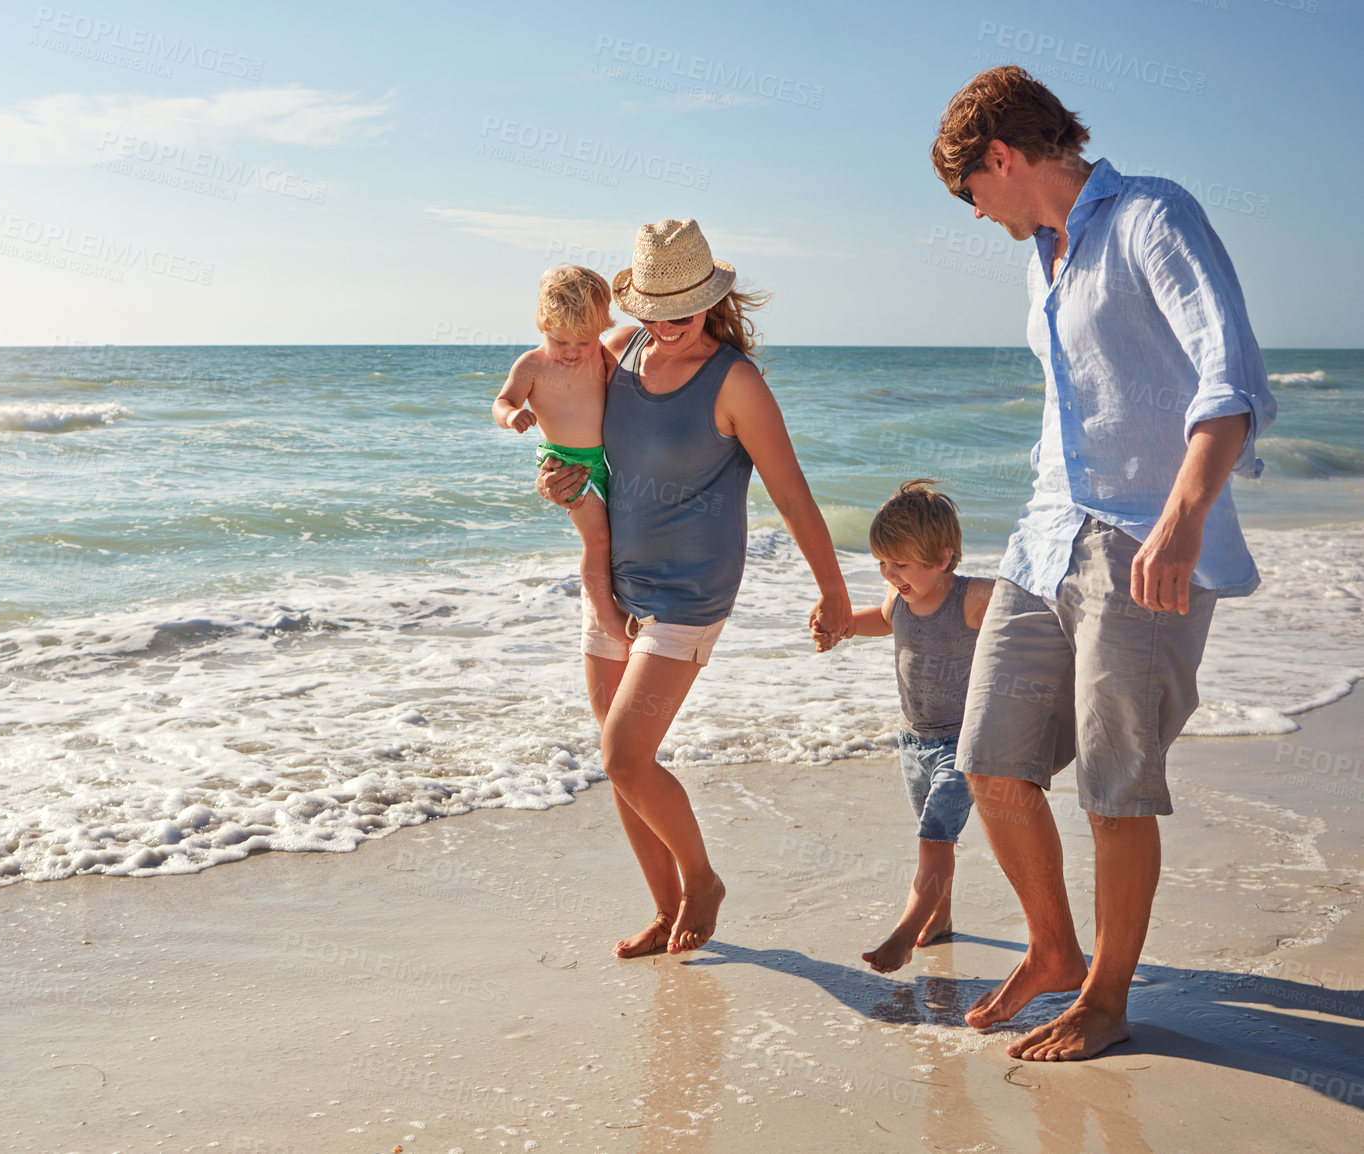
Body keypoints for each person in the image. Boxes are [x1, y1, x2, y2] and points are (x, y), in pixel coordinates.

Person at [931, 66, 1277, 1060]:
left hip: (1142, 542)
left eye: (971, 192)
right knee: (990, 760)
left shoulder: (1150, 218)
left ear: (1000, 157)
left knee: (1116, 784)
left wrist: (1181, 516)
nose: (975, 213)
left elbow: (1230, 372)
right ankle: (1051, 948)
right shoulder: (1038, 257)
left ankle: (1106, 996)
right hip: (1045, 538)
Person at [537, 219, 852, 957]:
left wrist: (834, 592)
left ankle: (701, 881)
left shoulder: (734, 381)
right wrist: (561, 477)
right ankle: (665, 905)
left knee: (624, 754)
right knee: (621, 766)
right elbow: (570, 431)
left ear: (711, 301)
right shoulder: (618, 353)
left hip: (690, 593)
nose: (662, 326)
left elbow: (792, 493)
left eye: (679, 312)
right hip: (615, 585)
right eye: (650, 311)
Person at [827, 480, 993, 974]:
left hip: (961, 743)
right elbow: (880, 620)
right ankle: (937, 921)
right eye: (883, 562)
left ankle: (903, 932)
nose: (889, 573)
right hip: (912, 741)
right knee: (931, 834)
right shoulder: (898, 597)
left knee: (934, 836)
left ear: (943, 559)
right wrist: (840, 624)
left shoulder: (971, 597)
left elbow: (1026, 614)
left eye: (900, 564)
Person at [492, 266, 628, 644]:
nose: (572, 352)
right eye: (560, 341)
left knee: (617, 537)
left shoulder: (602, 357)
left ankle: (620, 598)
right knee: (597, 539)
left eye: (583, 342)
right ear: (542, 325)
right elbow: (502, 400)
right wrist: (511, 416)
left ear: (601, 328)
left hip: (607, 459)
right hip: (566, 462)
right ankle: (605, 613)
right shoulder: (532, 364)